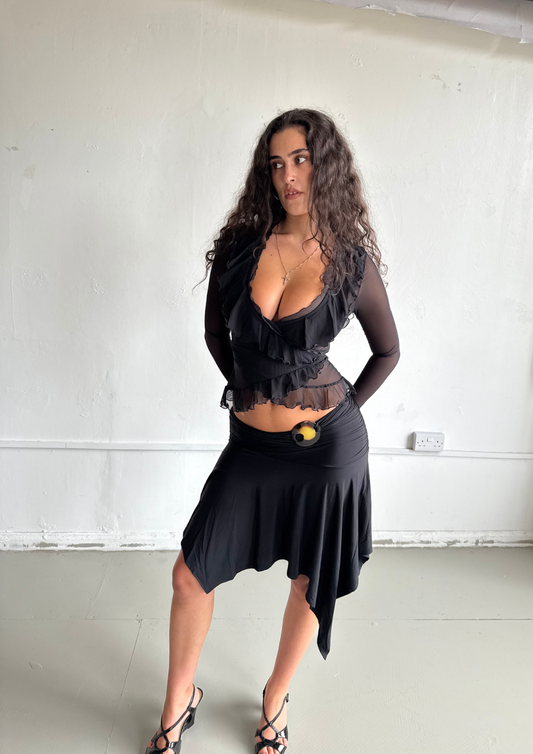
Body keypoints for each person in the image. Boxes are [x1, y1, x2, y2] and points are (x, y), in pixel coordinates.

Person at [145, 109, 400, 754]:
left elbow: (387, 351)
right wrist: (254, 389)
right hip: (252, 447)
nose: (289, 175)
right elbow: (216, 334)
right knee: (190, 575)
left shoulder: (350, 263)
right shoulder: (241, 249)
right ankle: (178, 702)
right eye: (277, 163)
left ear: (326, 166)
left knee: (311, 580)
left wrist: (344, 410)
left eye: (302, 160)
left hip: (327, 451)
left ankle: (275, 700)